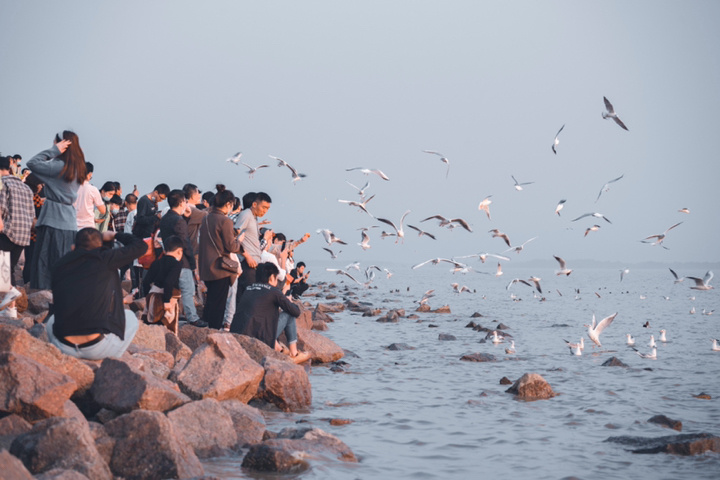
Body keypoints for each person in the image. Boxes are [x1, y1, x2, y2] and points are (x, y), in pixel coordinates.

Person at [45, 228, 147, 360]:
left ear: (73, 247)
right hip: (95, 348)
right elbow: (141, 246)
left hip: (63, 345)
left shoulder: (59, 265)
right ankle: (109, 361)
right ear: (100, 247)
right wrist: (116, 235)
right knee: (131, 318)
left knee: (52, 320)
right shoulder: (105, 259)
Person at [27, 131, 87, 289]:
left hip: (52, 220)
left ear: (63, 145)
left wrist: (54, 150)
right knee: (63, 263)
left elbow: (32, 163)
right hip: (69, 223)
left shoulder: (58, 166)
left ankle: (42, 301)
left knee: (44, 262)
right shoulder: (78, 168)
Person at [230, 262, 309, 364]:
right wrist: (289, 301)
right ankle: (294, 354)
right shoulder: (273, 291)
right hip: (260, 339)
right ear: (272, 277)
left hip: (238, 337)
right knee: (289, 314)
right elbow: (296, 312)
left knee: (263, 315)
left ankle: (278, 348)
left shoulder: (248, 289)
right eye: (276, 278)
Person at [198, 184, 244, 329]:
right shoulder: (226, 221)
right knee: (219, 304)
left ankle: (207, 330)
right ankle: (214, 333)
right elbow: (230, 246)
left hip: (206, 266)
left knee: (211, 301)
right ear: (229, 204)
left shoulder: (206, 218)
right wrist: (240, 243)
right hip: (220, 267)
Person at [159, 189, 206, 327]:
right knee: (187, 289)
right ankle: (192, 318)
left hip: (167, 257)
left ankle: (176, 315)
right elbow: (185, 243)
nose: (187, 203)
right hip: (182, 261)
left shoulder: (166, 218)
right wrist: (192, 264)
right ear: (181, 202)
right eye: (185, 201)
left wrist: (185, 218)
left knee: (173, 289)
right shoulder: (179, 221)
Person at [0, 156, 34, 318]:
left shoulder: (2, 183)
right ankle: (11, 310)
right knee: (7, 270)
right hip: (23, 234)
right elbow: (32, 214)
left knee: (2, 270)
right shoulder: (25, 187)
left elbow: (1, 207)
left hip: (6, 231)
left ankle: (11, 291)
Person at [142, 235, 183, 333]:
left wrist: (147, 296)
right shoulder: (176, 264)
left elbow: (146, 281)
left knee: (152, 322)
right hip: (168, 298)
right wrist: (166, 301)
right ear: (179, 251)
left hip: (153, 295)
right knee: (168, 326)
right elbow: (169, 282)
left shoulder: (157, 262)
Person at [235, 192, 272, 298]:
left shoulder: (254, 217)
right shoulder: (246, 214)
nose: (265, 211)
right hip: (247, 264)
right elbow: (234, 238)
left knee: (248, 297)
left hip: (254, 264)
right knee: (248, 298)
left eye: (267, 209)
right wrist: (247, 256)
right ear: (255, 204)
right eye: (263, 207)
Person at [74, 162, 105, 230]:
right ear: (89, 175)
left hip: (73, 226)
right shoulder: (92, 189)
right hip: (88, 227)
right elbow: (103, 210)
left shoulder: (71, 188)